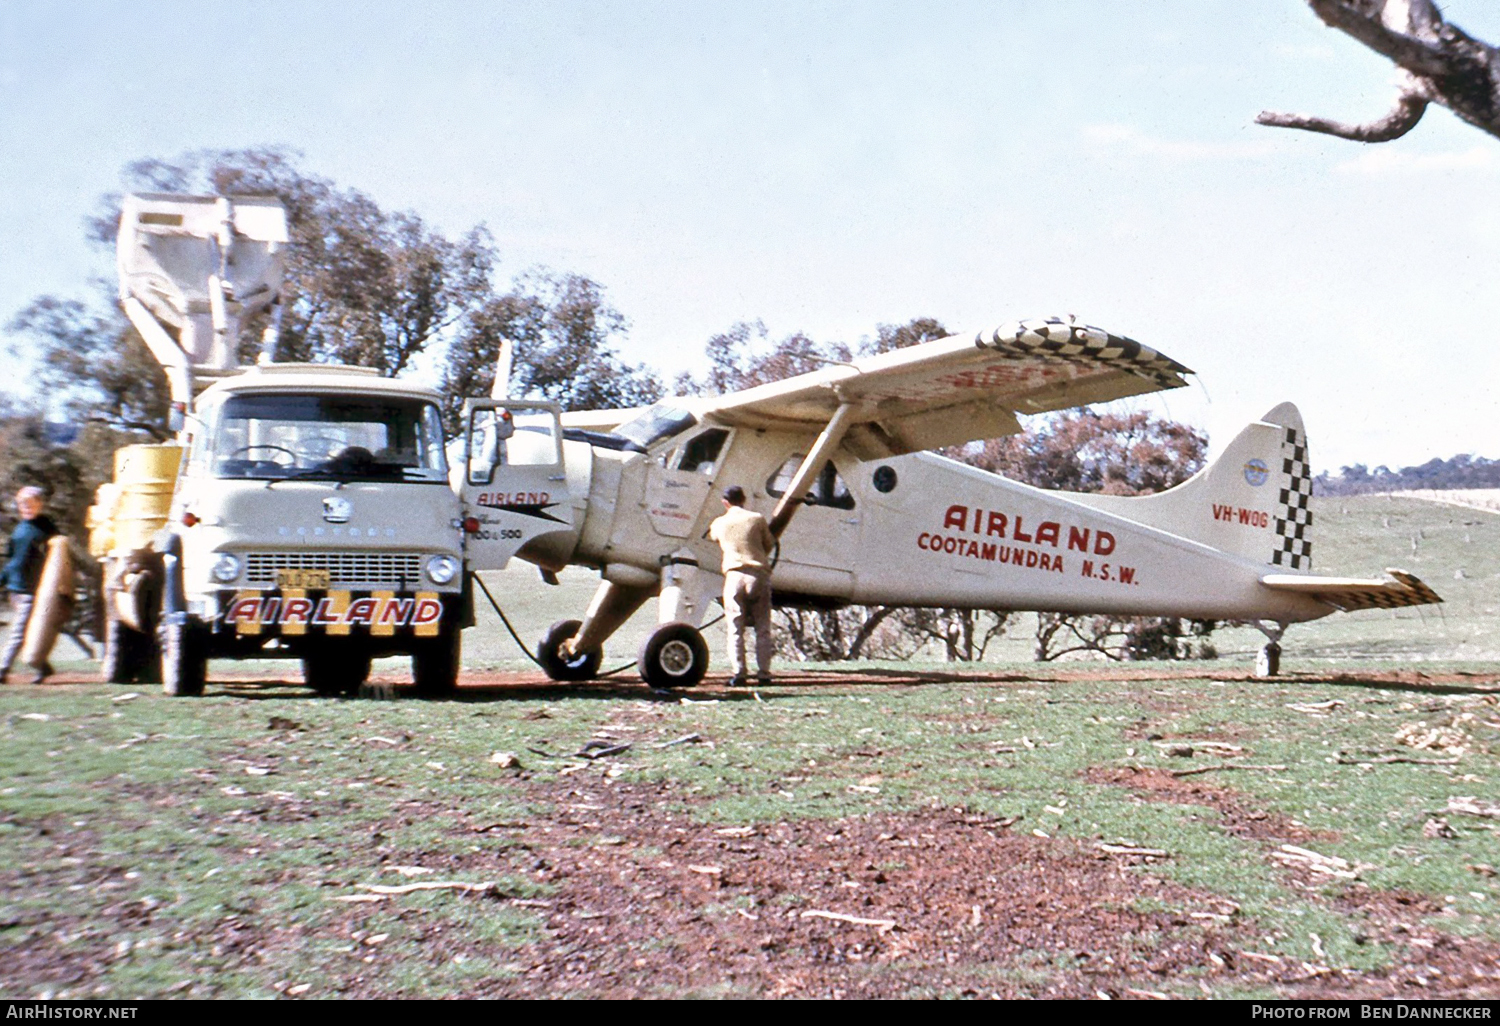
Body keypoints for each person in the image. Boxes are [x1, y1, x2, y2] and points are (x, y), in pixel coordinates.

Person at [707, 485, 775, 687]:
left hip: (734, 575)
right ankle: (764, 674)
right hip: (757, 575)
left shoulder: (720, 523)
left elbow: (713, 537)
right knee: (763, 628)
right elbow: (769, 544)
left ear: (725, 502)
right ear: (744, 499)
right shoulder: (757, 518)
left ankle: (739, 674)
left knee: (735, 628)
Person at [1, 487, 60, 683]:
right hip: (16, 588)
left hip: (33, 590)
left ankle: (2, 669)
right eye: (22, 504)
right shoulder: (21, 528)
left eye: (31, 503)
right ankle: (43, 667)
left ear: (39, 504)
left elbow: (58, 554)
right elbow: (14, 560)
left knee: (19, 631)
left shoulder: (46, 528)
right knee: (27, 630)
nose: (26, 507)